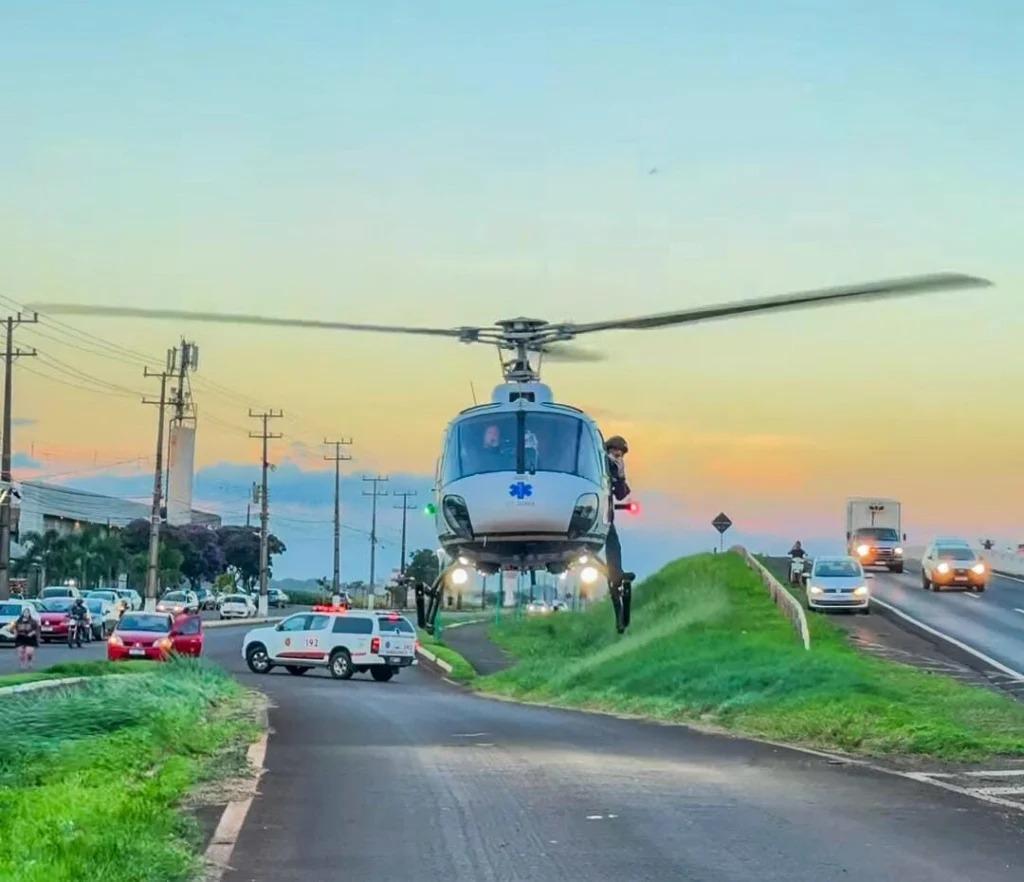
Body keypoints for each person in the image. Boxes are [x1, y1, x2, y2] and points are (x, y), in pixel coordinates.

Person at [604, 435, 633, 589]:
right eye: (615, 454)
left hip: (606, 515)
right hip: (593, 510)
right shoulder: (597, 465)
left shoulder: (615, 470)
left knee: (613, 542)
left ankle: (616, 575)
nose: (617, 458)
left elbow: (621, 495)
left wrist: (620, 476)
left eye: (620, 456)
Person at [12, 607, 40, 671]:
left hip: (30, 638)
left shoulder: (33, 622)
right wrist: (15, 633)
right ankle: (22, 664)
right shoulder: (18, 621)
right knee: (21, 652)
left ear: (29, 613)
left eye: (27, 612)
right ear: (22, 613)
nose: (26, 614)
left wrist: (32, 633)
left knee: (28, 653)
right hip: (20, 638)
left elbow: (36, 629)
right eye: (25, 612)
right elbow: (14, 628)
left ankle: (30, 662)